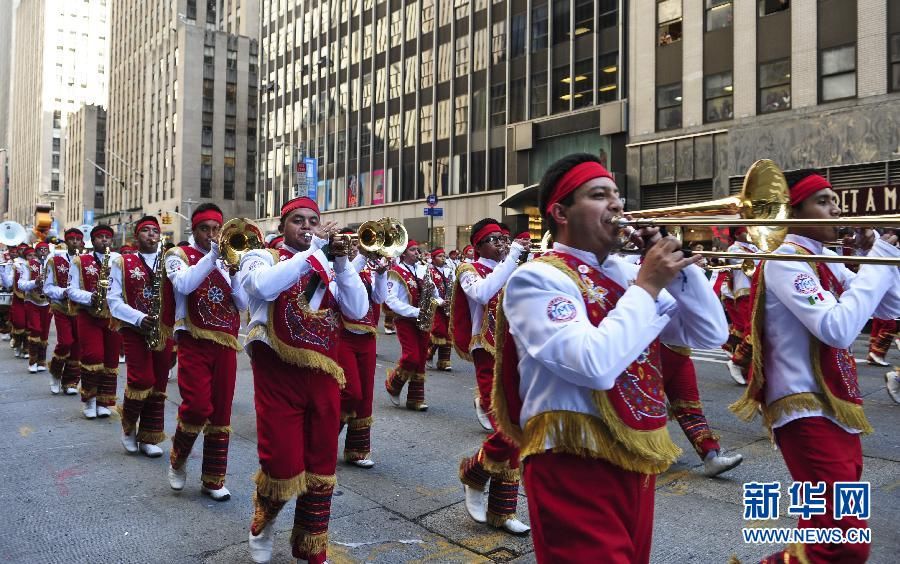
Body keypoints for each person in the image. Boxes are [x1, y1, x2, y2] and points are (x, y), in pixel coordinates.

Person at [492, 153, 727, 562]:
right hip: (572, 463)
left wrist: (681, 266)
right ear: (560, 212)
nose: (616, 205)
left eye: (617, 195)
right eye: (599, 195)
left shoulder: (625, 273)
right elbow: (593, 365)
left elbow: (711, 333)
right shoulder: (537, 277)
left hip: (634, 456)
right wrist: (648, 286)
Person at [730, 170, 900, 564]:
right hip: (805, 411)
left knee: (823, 534)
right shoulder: (786, 259)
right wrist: (877, 261)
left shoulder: (825, 260)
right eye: (823, 202)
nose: (836, 210)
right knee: (843, 544)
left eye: (836, 201)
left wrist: (873, 255)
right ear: (793, 211)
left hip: (835, 407)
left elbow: (891, 308)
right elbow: (837, 329)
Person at [240, 196, 366, 564]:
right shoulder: (261, 255)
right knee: (282, 461)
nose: (307, 227)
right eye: (298, 220)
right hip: (277, 370)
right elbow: (263, 288)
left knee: (321, 462)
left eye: (313, 220)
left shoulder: (327, 260)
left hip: (322, 369)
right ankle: (263, 523)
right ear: (282, 227)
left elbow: (358, 309)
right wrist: (317, 254)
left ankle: (312, 545)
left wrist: (340, 262)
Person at [452, 218, 531, 534]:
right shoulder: (468, 270)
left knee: (519, 431)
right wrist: (512, 257)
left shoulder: (513, 267)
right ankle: (475, 472)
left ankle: (502, 510)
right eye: (494, 239)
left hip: (516, 354)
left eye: (503, 238)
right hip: (487, 356)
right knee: (507, 430)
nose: (501, 243)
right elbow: (483, 294)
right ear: (478, 245)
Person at [165, 204, 248, 501]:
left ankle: (213, 478)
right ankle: (178, 457)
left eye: (217, 229)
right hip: (193, 340)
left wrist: (235, 272)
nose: (212, 235)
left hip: (225, 343)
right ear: (194, 230)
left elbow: (240, 304)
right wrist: (213, 257)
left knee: (221, 413)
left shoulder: (228, 259)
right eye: (205, 229)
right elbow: (185, 285)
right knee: (198, 407)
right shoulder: (178, 256)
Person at [107, 216, 174, 458]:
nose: (151, 235)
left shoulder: (170, 260)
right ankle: (128, 426)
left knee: (159, 383)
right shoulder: (121, 262)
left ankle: (149, 435)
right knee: (141, 379)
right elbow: (113, 300)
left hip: (163, 329)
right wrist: (138, 318)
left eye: (155, 231)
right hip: (135, 328)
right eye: (145, 231)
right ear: (137, 236)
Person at [337, 231, 389, 468]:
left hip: (367, 336)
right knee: (351, 392)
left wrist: (381, 273)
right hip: (343, 334)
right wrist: (360, 260)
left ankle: (357, 450)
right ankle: (322, 438)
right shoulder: (337, 266)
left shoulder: (366, 269)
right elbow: (342, 287)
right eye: (353, 244)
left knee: (365, 395)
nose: (357, 248)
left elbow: (380, 298)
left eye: (360, 244)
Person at [660, 344, 743, 476]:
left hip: (681, 353)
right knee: (644, 411)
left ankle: (710, 458)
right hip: (647, 354)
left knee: (690, 409)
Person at [68, 225, 123, 419]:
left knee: (111, 358)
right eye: (100, 237)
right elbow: (71, 290)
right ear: (92, 241)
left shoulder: (119, 261)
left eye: (107, 237)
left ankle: (104, 401)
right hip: (88, 314)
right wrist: (89, 297)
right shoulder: (80, 261)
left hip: (112, 315)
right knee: (92, 356)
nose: (104, 240)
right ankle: (89, 400)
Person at [384, 240, 436, 411]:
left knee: (421, 358)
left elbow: (432, 291)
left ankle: (415, 399)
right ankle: (393, 383)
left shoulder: (422, 269)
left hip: (423, 319)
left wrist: (440, 301)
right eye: (413, 249)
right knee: (412, 356)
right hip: (405, 319)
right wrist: (414, 312)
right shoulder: (395, 272)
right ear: (404, 253)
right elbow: (391, 300)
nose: (416, 252)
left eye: (417, 249)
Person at [43, 228, 85, 395]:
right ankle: (55, 373)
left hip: (81, 308)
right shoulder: (55, 261)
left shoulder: (86, 261)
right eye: (72, 239)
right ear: (66, 242)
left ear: (82, 243)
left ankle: (71, 381)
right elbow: (48, 288)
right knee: (65, 341)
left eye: (78, 239)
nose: (75, 242)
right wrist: (63, 292)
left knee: (77, 346)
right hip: (61, 306)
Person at [723, 227, 760, 385]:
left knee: (747, 329)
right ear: (738, 234)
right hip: (742, 293)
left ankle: (745, 365)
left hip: (757, 291)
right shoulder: (734, 249)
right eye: (748, 231)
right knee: (753, 328)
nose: (752, 233)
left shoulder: (756, 247)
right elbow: (752, 266)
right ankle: (737, 362)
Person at [18, 243, 52, 373]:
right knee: (35, 329)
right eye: (40, 250)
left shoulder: (51, 264)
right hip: (32, 301)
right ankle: (33, 360)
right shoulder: (27, 265)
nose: (43, 252)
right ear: (36, 251)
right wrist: (35, 282)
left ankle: (41, 360)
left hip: (47, 302)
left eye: (45, 250)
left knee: (44, 332)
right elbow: (21, 284)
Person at [426, 248, 454, 371]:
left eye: (444, 256)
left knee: (448, 333)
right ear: (433, 259)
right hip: (435, 307)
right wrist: (439, 301)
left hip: (448, 305)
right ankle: (428, 353)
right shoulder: (429, 271)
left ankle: (444, 361)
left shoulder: (449, 270)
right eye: (440, 256)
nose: (443, 258)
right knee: (438, 331)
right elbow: (429, 290)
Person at [9, 244, 29, 358]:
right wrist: (3, 270)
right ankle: (17, 343)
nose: (22, 251)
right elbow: (7, 282)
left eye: (24, 249)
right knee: (19, 323)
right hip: (18, 299)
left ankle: (26, 347)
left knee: (29, 324)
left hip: (30, 298)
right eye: (20, 249)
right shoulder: (15, 264)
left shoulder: (33, 263)